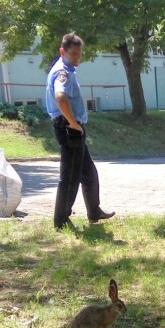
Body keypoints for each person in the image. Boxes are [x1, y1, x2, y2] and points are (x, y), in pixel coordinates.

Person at [45, 33, 114, 230]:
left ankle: (94, 211)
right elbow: (60, 97)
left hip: (72, 128)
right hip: (69, 129)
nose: (77, 58)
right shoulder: (62, 72)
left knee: (88, 172)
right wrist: (73, 124)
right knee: (70, 176)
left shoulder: (68, 70)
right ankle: (61, 220)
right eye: (73, 54)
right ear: (62, 52)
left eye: (78, 54)